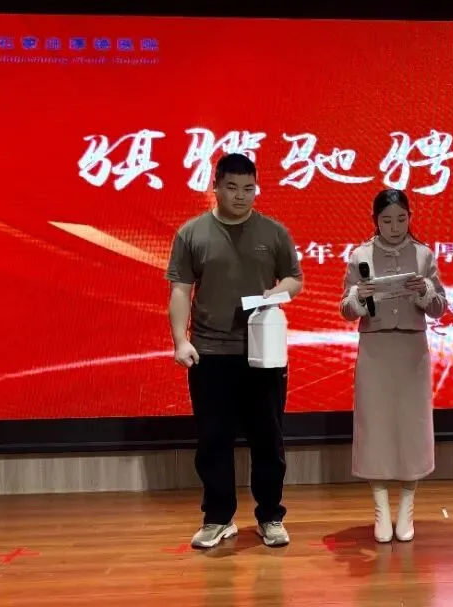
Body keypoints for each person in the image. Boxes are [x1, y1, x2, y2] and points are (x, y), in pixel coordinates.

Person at [165, 153, 305, 550]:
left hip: (264, 352)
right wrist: (180, 340)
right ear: (216, 187)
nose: (241, 196)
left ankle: (270, 517)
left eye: (248, 188)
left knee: (268, 440)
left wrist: (277, 292)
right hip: (210, 352)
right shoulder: (192, 233)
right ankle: (218, 518)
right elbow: (180, 290)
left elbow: (295, 279)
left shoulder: (273, 232)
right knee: (213, 441)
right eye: (232, 187)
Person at [339, 188, 447, 543]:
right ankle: (381, 508)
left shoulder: (423, 254)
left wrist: (425, 291)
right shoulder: (361, 255)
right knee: (377, 426)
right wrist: (358, 297)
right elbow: (345, 310)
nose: (395, 226)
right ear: (375, 221)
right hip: (376, 350)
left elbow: (439, 307)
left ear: (410, 218)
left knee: (412, 427)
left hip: (412, 350)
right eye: (387, 220)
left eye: (401, 219)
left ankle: (407, 508)